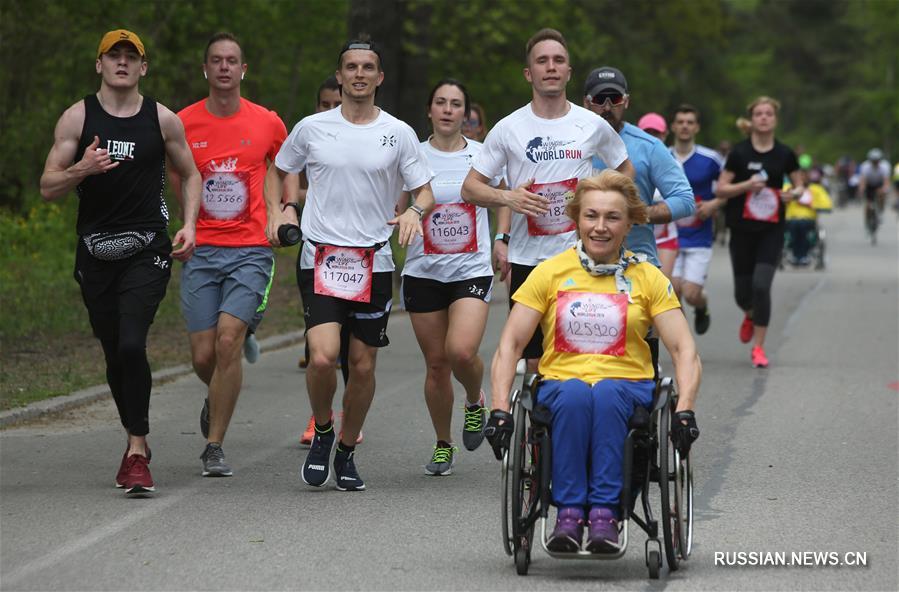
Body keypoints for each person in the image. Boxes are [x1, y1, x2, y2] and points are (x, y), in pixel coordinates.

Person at [485, 170, 701, 553]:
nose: (600, 227)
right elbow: (510, 345)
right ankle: (568, 512)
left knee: (604, 395)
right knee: (574, 396)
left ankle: (604, 513)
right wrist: (500, 408)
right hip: (562, 385)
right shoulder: (550, 272)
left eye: (612, 217)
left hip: (627, 386)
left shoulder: (647, 277)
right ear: (577, 219)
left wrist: (684, 409)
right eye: (591, 216)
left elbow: (684, 349)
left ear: (630, 222)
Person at [265, 39, 435, 491]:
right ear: (339, 77)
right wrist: (280, 210)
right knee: (322, 358)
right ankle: (323, 429)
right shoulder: (312, 128)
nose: (359, 74)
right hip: (321, 256)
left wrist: (414, 214)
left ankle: (346, 448)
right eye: (350, 68)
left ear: (380, 78)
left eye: (368, 68)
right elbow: (279, 167)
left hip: (373, 261)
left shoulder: (397, 132)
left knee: (361, 368)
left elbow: (424, 191)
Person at [39, 29, 201, 496]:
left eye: (132, 57)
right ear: (100, 65)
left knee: (132, 343)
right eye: (115, 56)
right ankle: (136, 437)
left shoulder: (163, 119)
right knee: (114, 351)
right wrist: (82, 170)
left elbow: (190, 173)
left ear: (144, 68)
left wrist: (189, 223)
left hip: (148, 248)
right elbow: (49, 187)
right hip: (95, 252)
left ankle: (136, 449)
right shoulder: (77, 118)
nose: (123, 63)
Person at [461, 28, 634, 373]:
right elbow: (470, 188)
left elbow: (625, 171)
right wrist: (508, 197)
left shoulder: (592, 124)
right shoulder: (509, 128)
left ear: (569, 71)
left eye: (558, 60)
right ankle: (537, 426)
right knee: (535, 359)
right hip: (529, 261)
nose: (551, 67)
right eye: (542, 61)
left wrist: (605, 205)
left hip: (583, 257)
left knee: (584, 353)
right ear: (529, 73)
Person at [172, 32, 296, 477]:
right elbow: (177, 176)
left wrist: (283, 213)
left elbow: (287, 171)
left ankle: (214, 444)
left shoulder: (267, 122)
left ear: (244, 70)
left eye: (232, 61)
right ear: (205, 69)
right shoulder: (181, 122)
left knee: (227, 341)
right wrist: (186, 225)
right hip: (202, 250)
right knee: (205, 356)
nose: (224, 67)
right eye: (216, 61)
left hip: (250, 250)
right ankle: (219, 390)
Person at [401, 79, 504, 475]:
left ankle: (475, 398)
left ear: (467, 114)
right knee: (437, 364)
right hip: (423, 271)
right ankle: (443, 443)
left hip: (470, 270)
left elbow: (505, 196)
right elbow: (396, 204)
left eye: (455, 104)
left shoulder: (482, 157)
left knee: (460, 351)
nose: (447, 110)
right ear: (429, 110)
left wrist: (502, 238)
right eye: (440, 103)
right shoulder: (413, 157)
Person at [296, 75, 361, 448]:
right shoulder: (312, 134)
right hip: (318, 252)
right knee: (320, 349)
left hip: (362, 258)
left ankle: (351, 413)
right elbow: (286, 171)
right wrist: (288, 207)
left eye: (336, 103)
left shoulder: (368, 134)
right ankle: (320, 416)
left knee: (354, 348)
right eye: (324, 103)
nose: (331, 109)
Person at [715, 96, 803, 368]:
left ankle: (759, 348)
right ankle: (750, 314)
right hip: (741, 229)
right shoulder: (739, 153)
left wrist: (794, 194)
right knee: (743, 294)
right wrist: (746, 186)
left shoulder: (785, 154)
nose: (764, 118)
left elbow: (800, 186)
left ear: (775, 119)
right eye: (759, 114)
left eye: (768, 114)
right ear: (752, 120)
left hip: (771, 230)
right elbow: (720, 189)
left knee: (761, 285)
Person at [584, 67, 694, 267]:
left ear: (626, 101)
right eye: (600, 99)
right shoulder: (570, 144)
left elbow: (685, 200)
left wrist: (636, 214)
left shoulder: (648, 146)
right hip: (580, 263)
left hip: (637, 262)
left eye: (615, 99)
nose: (607, 107)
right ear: (586, 102)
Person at [667, 104, 725, 335]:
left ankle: (703, 306)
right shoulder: (662, 155)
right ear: (673, 126)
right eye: (680, 122)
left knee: (691, 294)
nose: (684, 126)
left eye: (689, 122)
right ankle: (682, 344)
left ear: (697, 127)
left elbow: (727, 190)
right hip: (669, 238)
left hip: (699, 236)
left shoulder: (711, 159)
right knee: (673, 293)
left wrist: (713, 204)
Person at [635, 112, 679, 279]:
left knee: (663, 286)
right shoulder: (629, 160)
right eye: (647, 133)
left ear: (665, 134)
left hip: (665, 235)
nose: (651, 138)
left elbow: (680, 200)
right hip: (637, 236)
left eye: (656, 134)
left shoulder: (673, 163)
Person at [783, 155, 832, 266]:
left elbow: (827, 203)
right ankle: (797, 255)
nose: (802, 178)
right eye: (799, 176)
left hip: (808, 220)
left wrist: (812, 204)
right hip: (791, 219)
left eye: (804, 175)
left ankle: (802, 255)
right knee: (795, 226)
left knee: (802, 226)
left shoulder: (816, 189)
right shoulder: (787, 187)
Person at [857, 148, 891, 240]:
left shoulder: (885, 167)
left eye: (877, 161)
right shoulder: (865, 166)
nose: (875, 163)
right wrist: (861, 189)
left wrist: (884, 189)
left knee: (882, 194)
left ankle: (881, 211)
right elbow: (863, 181)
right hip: (869, 185)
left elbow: (886, 181)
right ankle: (867, 221)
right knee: (868, 204)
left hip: (879, 184)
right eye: (873, 161)